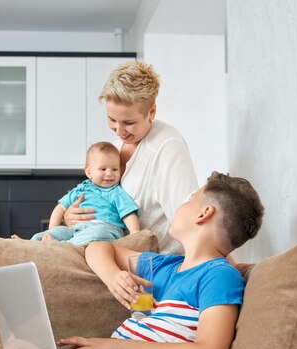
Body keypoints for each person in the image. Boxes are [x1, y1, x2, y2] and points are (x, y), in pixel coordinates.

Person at [0, 171, 265, 349]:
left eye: (189, 199)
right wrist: (112, 276)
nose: (182, 204)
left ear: (204, 213)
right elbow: (98, 248)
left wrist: (116, 347)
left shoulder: (219, 275)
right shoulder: (165, 266)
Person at [64, 61, 198, 254]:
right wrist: (71, 217)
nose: (119, 130)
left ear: (151, 112)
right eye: (111, 119)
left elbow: (189, 221)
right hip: (112, 256)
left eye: (128, 122)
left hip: (154, 263)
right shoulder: (116, 147)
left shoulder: (167, 147)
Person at [13, 141, 140, 246]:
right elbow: (59, 209)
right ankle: (29, 245)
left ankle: (60, 246)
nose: (109, 173)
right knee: (48, 235)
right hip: (76, 229)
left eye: (115, 169)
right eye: (103, 169)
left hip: (105, 229)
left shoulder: (115, 192)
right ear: (89, 172)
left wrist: (135, 235)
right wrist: (51, 231)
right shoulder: (81, 189)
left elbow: (128, 213)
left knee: (95, 234)